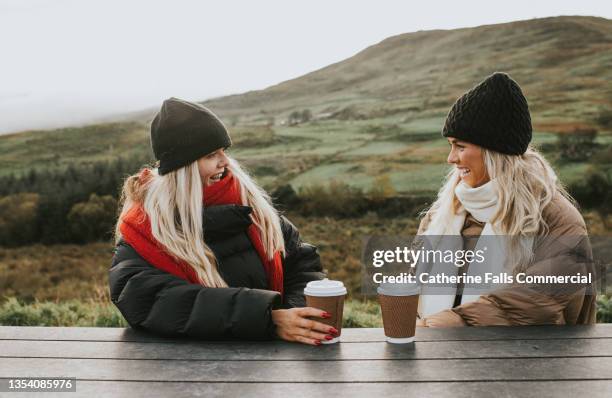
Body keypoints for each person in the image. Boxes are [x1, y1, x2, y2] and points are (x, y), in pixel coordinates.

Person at [109, 97, 336, 345]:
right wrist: (268, 319)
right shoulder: (144, 229)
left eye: (223, 151)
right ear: (183, 169)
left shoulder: (253, 209)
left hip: (270, 362)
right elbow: (150, 301)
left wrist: (295, 317)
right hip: (188, 370)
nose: (225, 162)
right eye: (210, 155)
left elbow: (302, 263)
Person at [415, 72, 596, 327]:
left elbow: (536, 301)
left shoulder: (556, 219)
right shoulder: (443, 213)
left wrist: (445, 324)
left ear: (493, 152)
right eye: (450, 146)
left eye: (460, 146)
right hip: (438, 359)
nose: (451, 158)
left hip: (527, 362)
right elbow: (415, 284)